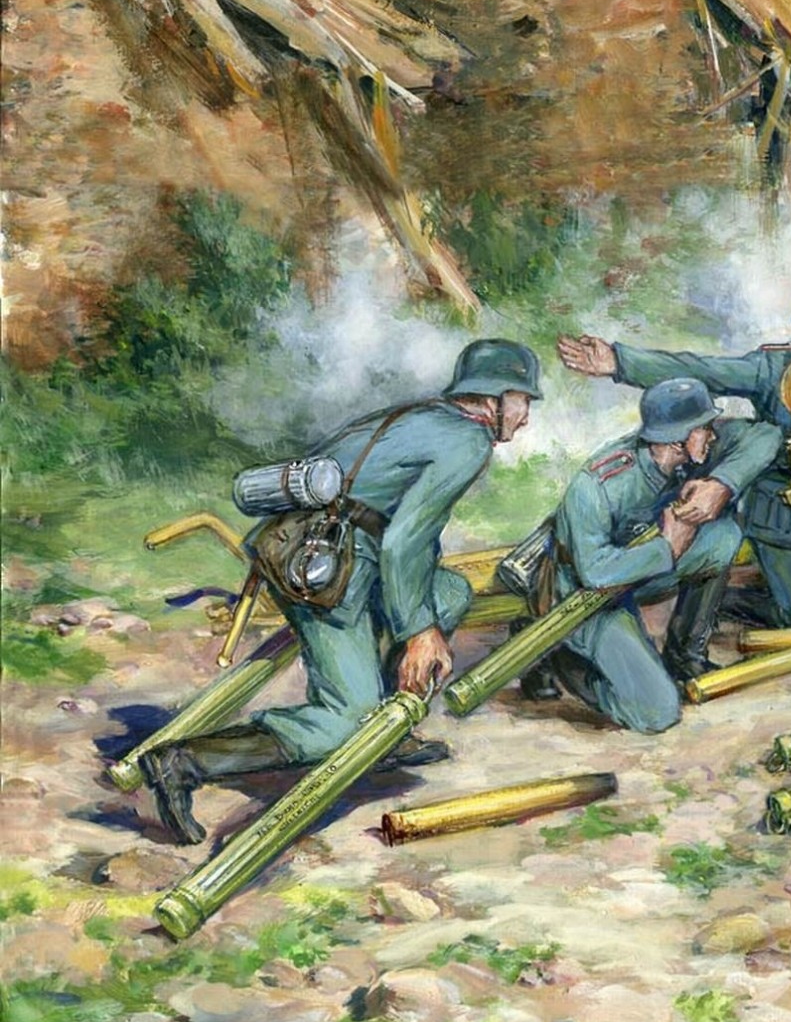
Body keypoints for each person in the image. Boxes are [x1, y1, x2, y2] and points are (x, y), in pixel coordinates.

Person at [142, 338, 542, 845]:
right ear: (494, 398)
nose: (525, 416)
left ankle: (388, 733)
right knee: (345, 719)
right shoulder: (468, 442)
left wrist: (421, 618)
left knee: (449, 592)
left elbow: (402, 536)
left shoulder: (423, 417)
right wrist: (419, 633)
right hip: (329, 574)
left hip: (311, 547)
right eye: (523, 400)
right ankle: (186, 762)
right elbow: (403, 542)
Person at [556, 274, 791, 630]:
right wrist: (619, 362)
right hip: (784, 506)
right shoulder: (774, 368)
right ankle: (738, 602)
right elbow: (703, 370)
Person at [518, 378, 781, 729]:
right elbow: (594, 571)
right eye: (704, 428)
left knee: (724, 537)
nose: (712, 435)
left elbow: (768, 435)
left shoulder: (690, 454)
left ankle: (685, 656)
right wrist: (667, 549)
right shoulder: (599, 484)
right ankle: (561, 657)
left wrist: (720, 484)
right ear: (677, 439)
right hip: (587, 596)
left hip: (639, 573)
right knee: (657, 712)